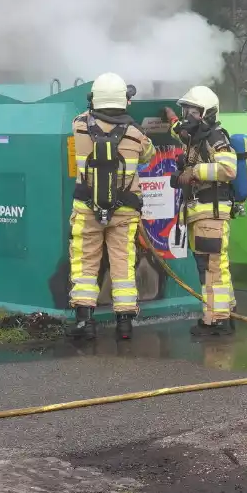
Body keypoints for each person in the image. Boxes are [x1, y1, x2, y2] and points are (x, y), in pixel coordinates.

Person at [67, 72, 157, 339]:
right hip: (125, 212)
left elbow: (83, 115)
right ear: (123, 100)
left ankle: (85, 323)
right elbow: (149, 155)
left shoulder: (79, 126)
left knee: (85, 264)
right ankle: (125, 324)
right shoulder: (136, 134)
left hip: (87, 208)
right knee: (123, 263)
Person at [165, 85, 237, 336]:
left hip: (211, 213)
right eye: (185, 111)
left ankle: (216, 321)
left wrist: (193, 172)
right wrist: (171, 120)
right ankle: (226, 313)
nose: (187, 116)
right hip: (203, 213)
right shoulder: (196, 136)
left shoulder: (216, 137)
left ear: (206, 113)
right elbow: (181, 132)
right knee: (215, 266)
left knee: (211, 268)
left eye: (192, 111)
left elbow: (228, 169)